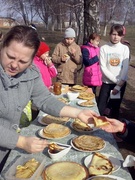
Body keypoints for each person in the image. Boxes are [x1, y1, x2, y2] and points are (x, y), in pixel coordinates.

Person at [0, 25, 98, 172]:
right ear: (2, 47)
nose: (14, 65)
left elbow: (44, 99)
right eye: (10, 57)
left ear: (33, 59)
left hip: (6, 149)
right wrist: (21, 141)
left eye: (23, 61)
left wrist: (77, 113)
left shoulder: (31, 73)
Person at [97, 24, 130, 119]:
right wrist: (117, 82)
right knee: (100, 108)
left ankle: (113, 132)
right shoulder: (104, 48)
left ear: (122, 36)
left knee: (114, 109)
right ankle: (98, 128)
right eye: (114, 34)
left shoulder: (124, 48)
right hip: (107, 83)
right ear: (110, 34)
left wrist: (118, 86)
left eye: (119, 35)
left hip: (120, 85)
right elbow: (103, 67)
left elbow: (125, 67)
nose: (116, 37)